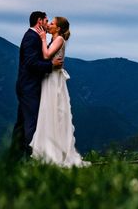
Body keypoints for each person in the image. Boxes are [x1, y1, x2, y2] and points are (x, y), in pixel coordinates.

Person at [30, 16, 90, 167]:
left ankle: (54, 151)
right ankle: (48, 149)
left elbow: (46, 55)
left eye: (52, 23)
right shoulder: (56, 39)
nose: (49, 25)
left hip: (53, 79)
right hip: (51, 77)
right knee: (50, 111)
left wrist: (43, 39)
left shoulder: (59, 40)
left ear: (58, 28)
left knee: (53, 111)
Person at [11, 11, 63, 159]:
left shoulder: (34, 37)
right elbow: (31, 63)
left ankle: (14, 157)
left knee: (21, 124)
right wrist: (51, 65)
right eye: (46, 21)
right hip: (29, 86)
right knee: (32, 122)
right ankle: (32, 156)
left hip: (28, 86)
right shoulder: (31, 38)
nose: (47, 24)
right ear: (39, 21)